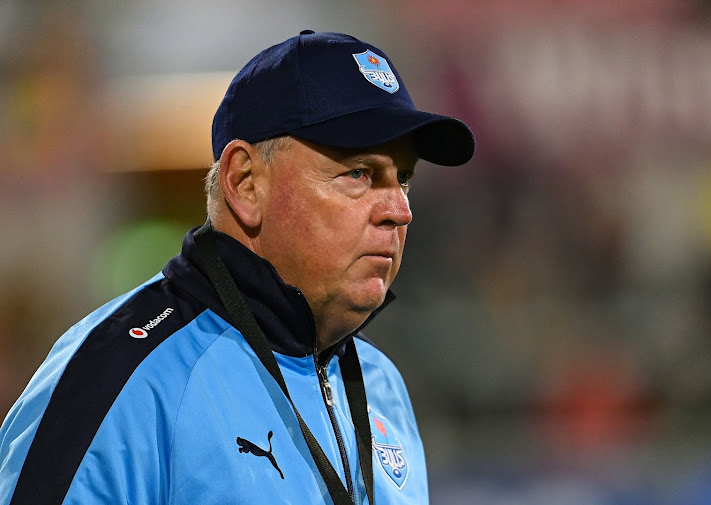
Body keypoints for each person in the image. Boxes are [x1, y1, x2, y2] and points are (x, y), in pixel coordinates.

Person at [0, 30, 474, 505]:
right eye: (360, 173)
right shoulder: (119, 380)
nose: (399, 209)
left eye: (404, 179)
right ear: (245, 183)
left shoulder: (381, 384)